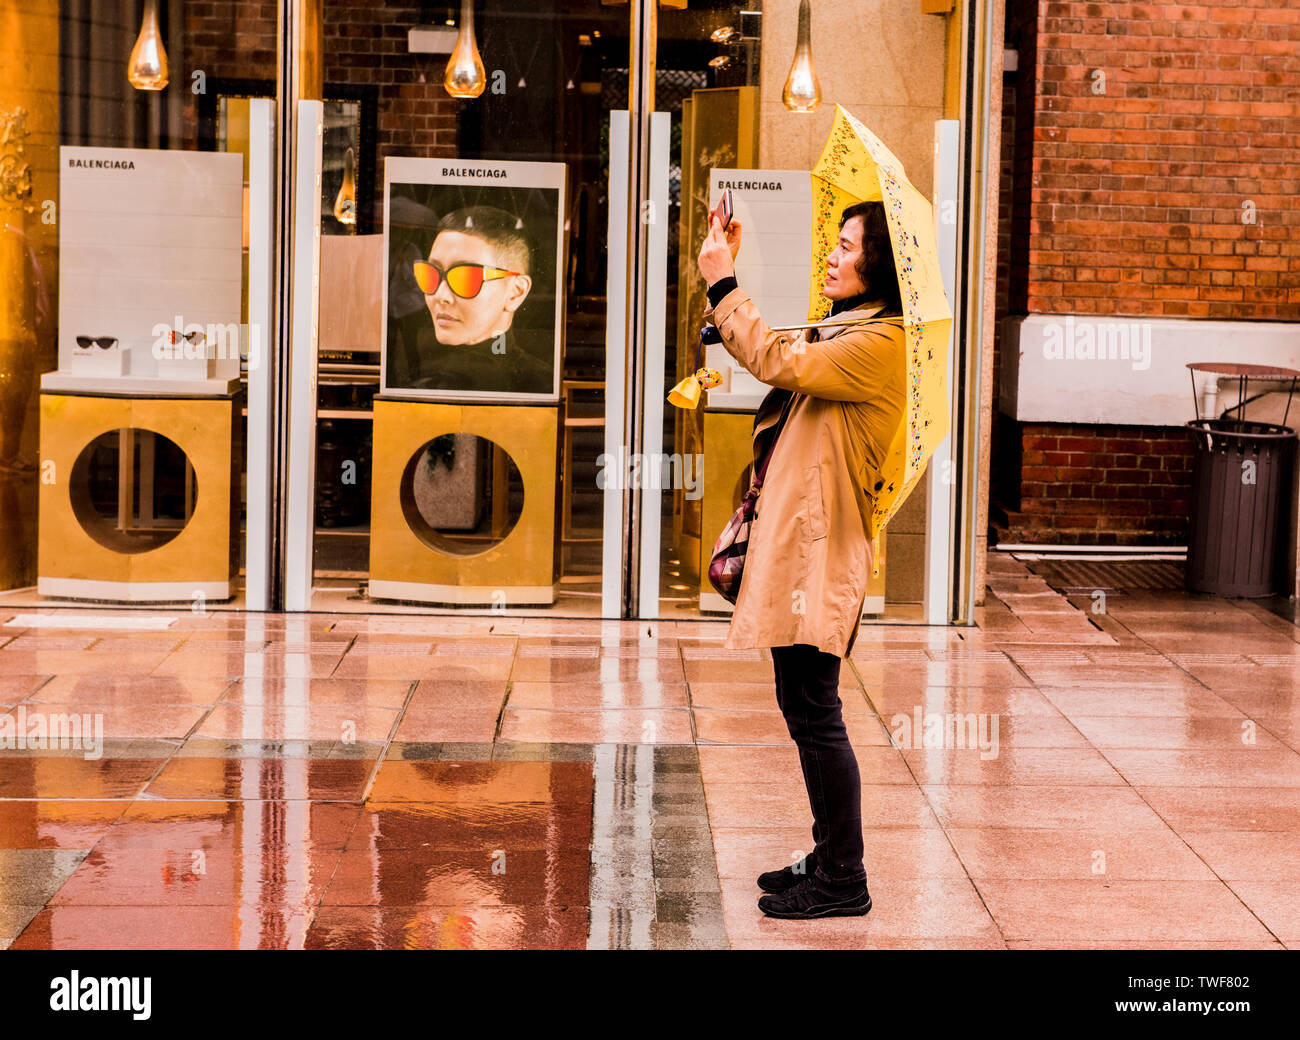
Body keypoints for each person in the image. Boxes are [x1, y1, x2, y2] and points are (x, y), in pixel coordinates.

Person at [697, 200, 906, 920]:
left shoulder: (880, 343)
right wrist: (725, 287)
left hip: (821, 557)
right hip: (802, 554)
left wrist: (724, 281)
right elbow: (779, 351)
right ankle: (828, 854)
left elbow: (777, 356)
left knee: (817, 713)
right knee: (803, 705)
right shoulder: (851, 330)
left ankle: (844, 878)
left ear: (876, 264)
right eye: (834, 244)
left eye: (846, 248)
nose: (832, 255)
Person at [400, 205, 552, 395]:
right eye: (430, 274)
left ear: (516, 292)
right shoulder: (415, 372)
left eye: (465, 278)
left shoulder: (537, 385)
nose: (440, 295)